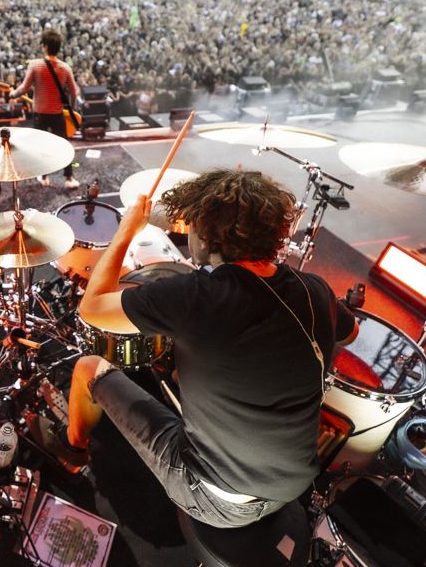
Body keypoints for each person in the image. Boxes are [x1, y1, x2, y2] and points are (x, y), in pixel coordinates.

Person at [65, 169, 358, 528]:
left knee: (88, 367)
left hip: (217, 499)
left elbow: (91, 309)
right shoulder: (316, 289)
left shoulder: (198, 298)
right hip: (295, 482)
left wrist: (126, 230)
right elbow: (352, 332)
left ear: (207, 239)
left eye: (192, 226)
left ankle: (73, 451)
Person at [9, 29, 81, 190]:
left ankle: (43, 176)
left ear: (45, 46)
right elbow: (74, 92)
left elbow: (24, 88)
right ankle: (69, 178)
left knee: (39, 145)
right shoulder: (65, 68)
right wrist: (71, 110)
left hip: (40, 114)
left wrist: (13, 94)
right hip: (57, 113)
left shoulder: (35, 65)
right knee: (64, 145)